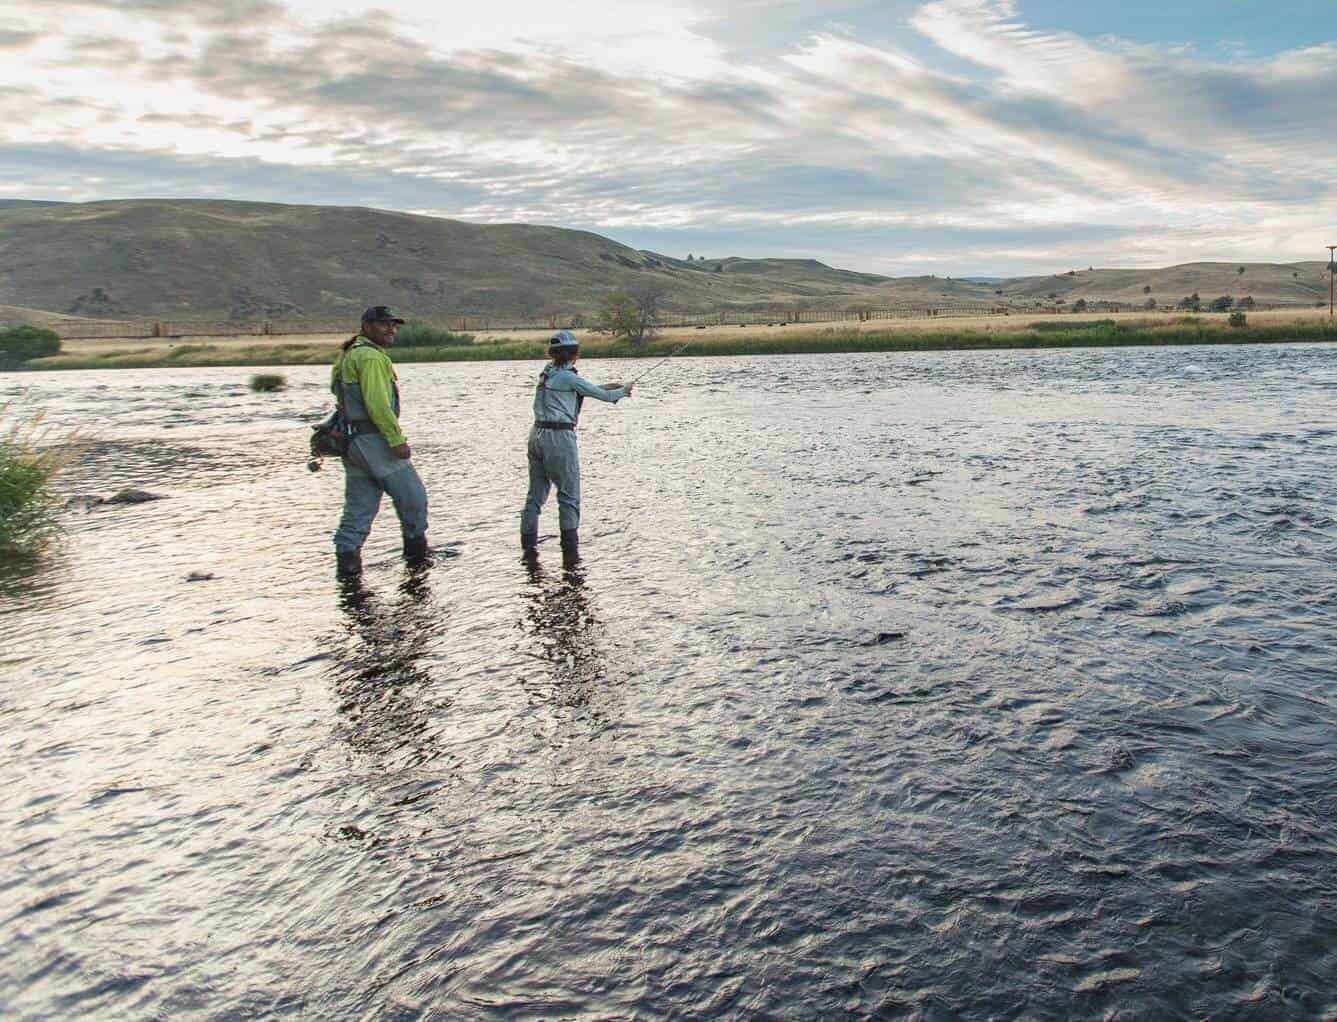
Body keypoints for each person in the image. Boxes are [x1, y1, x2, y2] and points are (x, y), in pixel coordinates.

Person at [331, 305, 430, 576]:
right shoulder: (371, 358)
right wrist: (396, 441)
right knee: (413, 499)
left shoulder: (349, 354)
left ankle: (348, 575)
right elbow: (378, 405)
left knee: (358, 511)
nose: (391, 330)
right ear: (367, 326)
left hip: (353, 443)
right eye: (384, 325)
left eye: (393, 325)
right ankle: (417, 565)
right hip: (374, 441)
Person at [520, 330, 631, 561]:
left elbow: (579, 389)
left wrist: (607, 386)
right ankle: (570, 552)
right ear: (574, 353)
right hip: (559, 439)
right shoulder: (569, 377)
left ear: (553, 353)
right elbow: (607, 397)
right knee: (569, 497)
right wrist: (623, 391)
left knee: (535, 497)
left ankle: (527, 547)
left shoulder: (547, 373)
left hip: (536, 435)